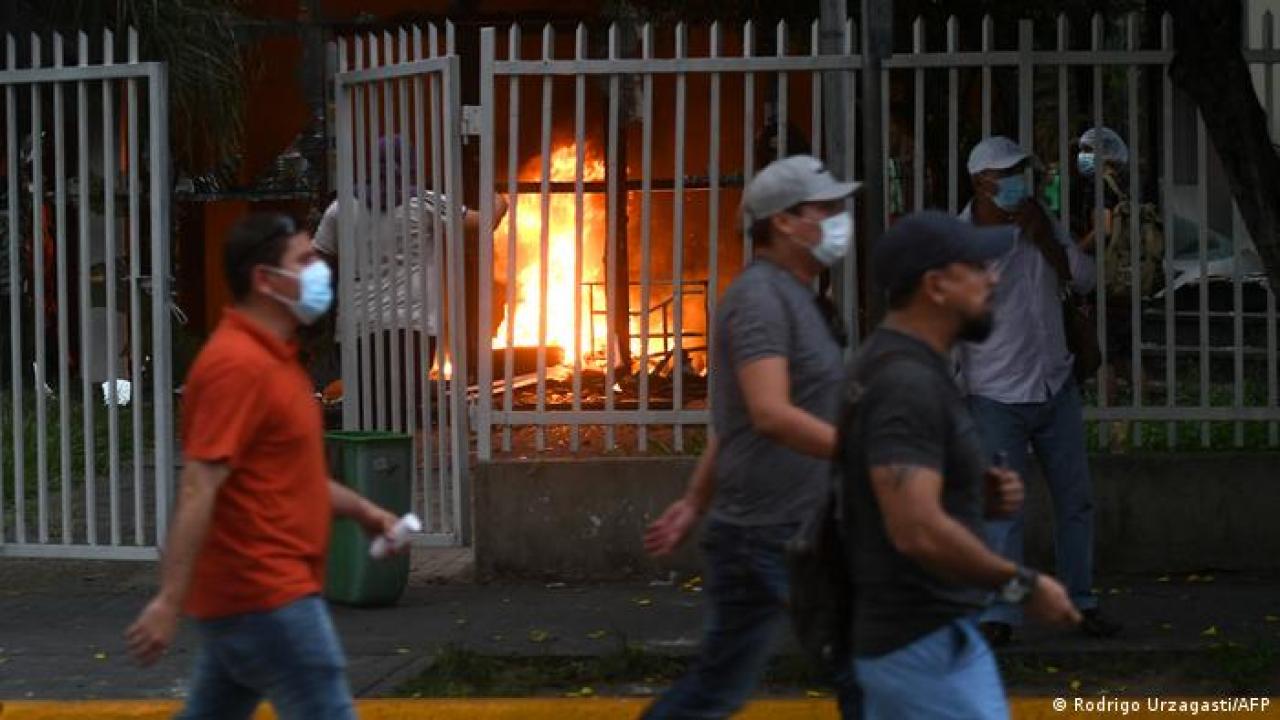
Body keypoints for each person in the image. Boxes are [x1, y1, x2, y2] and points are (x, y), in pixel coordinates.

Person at [125, 213, 403, 719]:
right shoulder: (235, 366)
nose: (320, 268)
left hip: (251, 601)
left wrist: (367, 512)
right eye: (304, 260)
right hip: (267, 596)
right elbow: (198, 487)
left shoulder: (280, 361)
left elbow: (290, 477)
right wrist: (168, 600)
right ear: (265, 280)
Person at [641, 155, 859, 719]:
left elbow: (734, 425)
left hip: (800, 525)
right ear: (784, 221)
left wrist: (693, 502)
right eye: (826, 208)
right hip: (765, 536)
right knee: (722, 687)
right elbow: (767, 413)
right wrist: (863, 453)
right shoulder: (760, 300)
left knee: (865, 669)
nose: (840, 218)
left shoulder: (805, 297)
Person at [847, 210, 1081, 718]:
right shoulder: (906, 382)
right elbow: (918, 530)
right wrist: (1023, 585)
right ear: (936, 287)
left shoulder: (920, 370)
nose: (994, 278)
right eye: (976, 270)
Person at [960, 136, 1122, 646]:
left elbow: (1087, 278)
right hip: (995, 394)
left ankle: (1081, 604)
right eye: (1004, 175)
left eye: (1020, 172)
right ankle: (1000, 617)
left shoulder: (1041, 223)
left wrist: (1047, 244)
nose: (1015, 183)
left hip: (1054, 383)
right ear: (980, 183)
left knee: (1075, 502)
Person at [312, 136, 508, 428]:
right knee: (405, 404)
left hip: (358, 324)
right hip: (412, 324)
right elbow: (484, 223)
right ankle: (398, 460)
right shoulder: (424, 202)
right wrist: (498, 200)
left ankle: (371, 461)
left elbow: (320, 256)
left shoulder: (339, 209)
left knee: (366, 406)